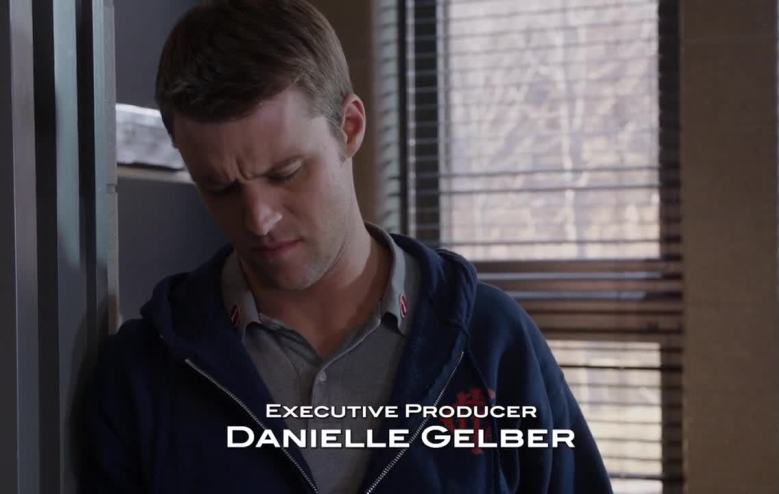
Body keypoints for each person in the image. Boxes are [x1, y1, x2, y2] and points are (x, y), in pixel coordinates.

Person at [83, 0, 612, 492]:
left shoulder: (493, 343)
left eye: (286, 173)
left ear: (351, 127)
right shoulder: (142, 374)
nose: (258, 219)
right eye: (220, 188)